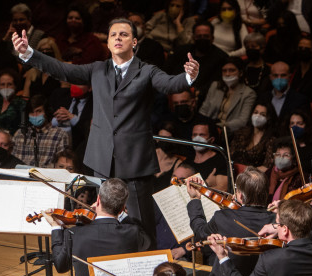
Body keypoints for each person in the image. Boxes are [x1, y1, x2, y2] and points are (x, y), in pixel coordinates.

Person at [13, 18, 199, 242]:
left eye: (124, 34)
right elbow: (63, 70)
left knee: (141, 224)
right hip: (103, 160)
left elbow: (169, 84)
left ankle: (148, 267)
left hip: (134, 162)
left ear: (134, 42)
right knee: (105, 220)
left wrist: (188, 76)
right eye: (113, 35)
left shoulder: (146, 71)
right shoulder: (98, 69)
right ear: (109, 43)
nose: (118, 38)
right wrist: (30, 54)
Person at [46, 178, 151, 276]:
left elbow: (60, 266)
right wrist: (123, 215)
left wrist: (56, 228)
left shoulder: (75, 233)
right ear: (123, 208)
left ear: (98, 199)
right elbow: (147, 241)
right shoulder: (133, 233)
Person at [12, 94, 70, 167]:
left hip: (46, 177)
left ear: (47, 112)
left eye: (39, 111)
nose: (35, 115)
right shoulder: (20, 133)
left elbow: (61, 165)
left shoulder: (60, 135)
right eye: (32, 112)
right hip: (19, 176)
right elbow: (12, 161)